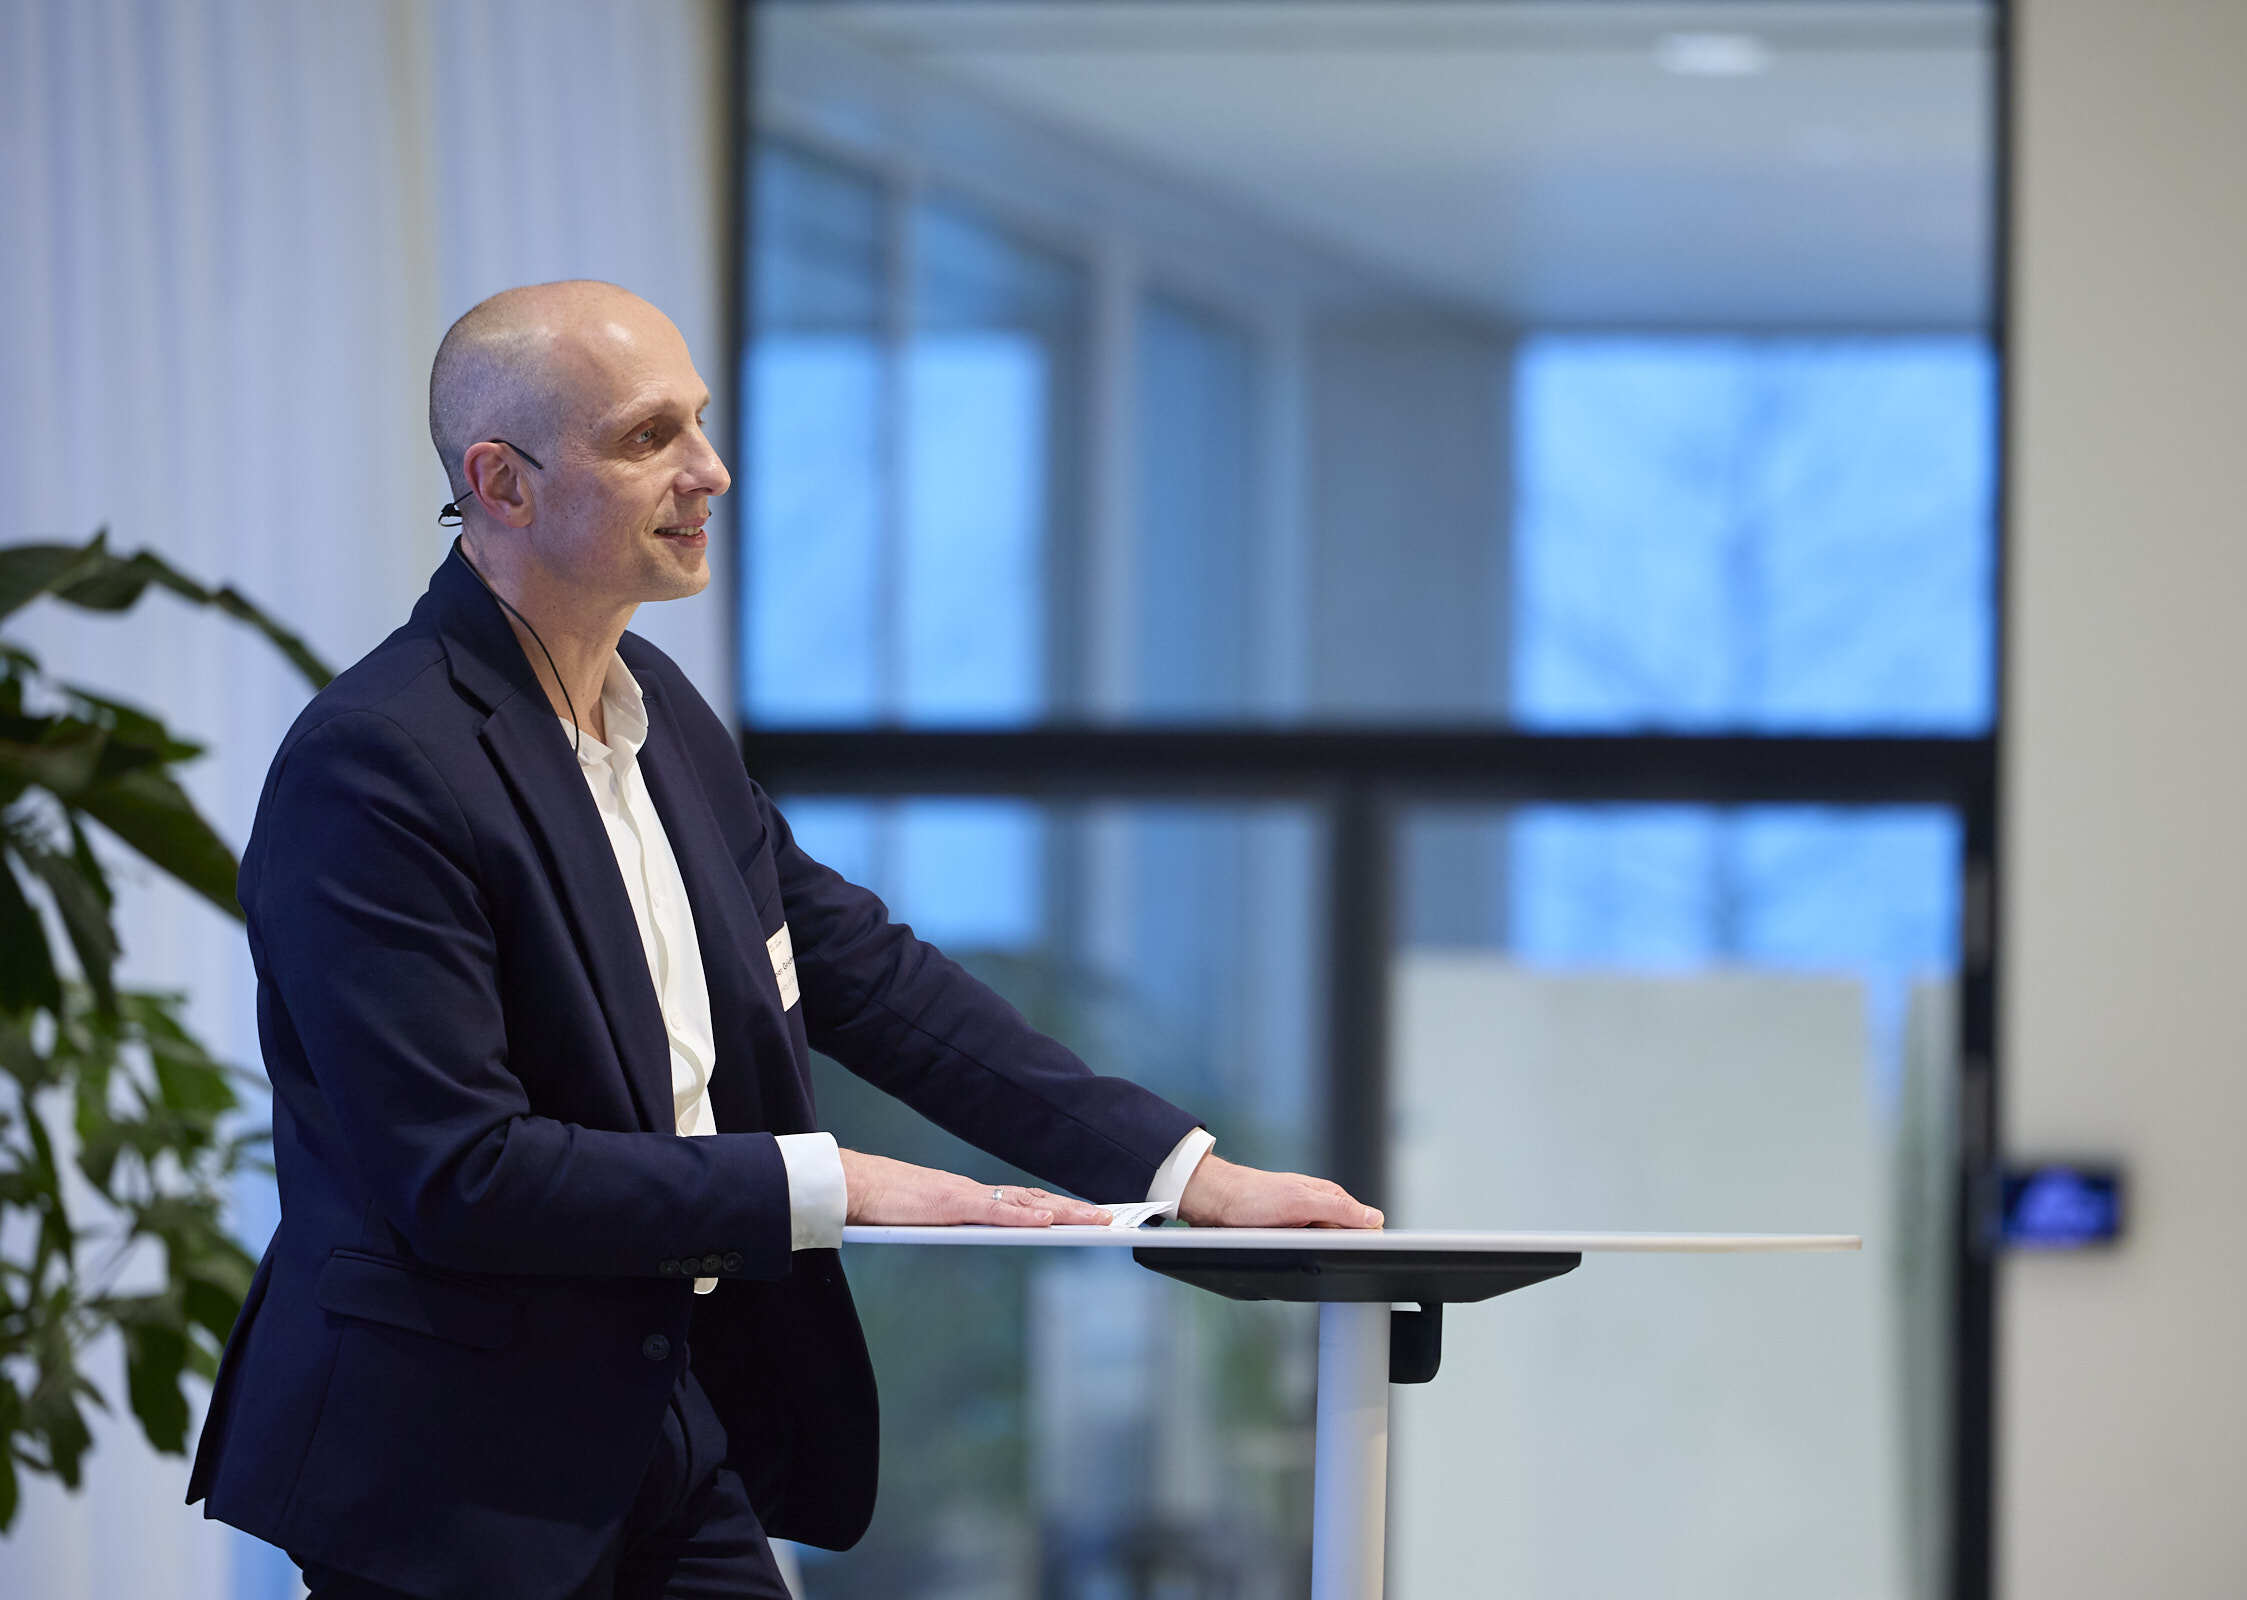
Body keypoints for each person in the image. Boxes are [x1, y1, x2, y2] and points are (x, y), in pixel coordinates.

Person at [185, 280, 1381, 1599]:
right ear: (501, 483)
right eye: (649, 437)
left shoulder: (662, 715)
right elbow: (460, 1172)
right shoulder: (376, 763)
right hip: (448, 1467)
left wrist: (1188, 1173)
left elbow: (870, 979)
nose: (710, 470)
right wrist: (830, 1184)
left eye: (698, 422)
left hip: (664, 1413)